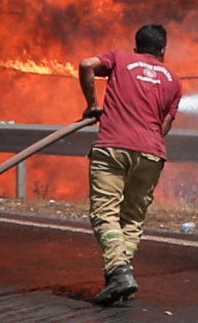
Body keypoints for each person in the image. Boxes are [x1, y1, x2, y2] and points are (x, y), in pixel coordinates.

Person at [78, 23, 183, 305]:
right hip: (151, 153)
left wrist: (92, 105)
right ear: (162, 51)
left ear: (136, 47)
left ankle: (118, 271)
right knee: (133, 218)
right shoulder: (173, 79)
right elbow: (165, 125)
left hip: (113, 147)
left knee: (105, 213)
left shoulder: (120, 58)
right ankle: (120, 276)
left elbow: (86, 64)